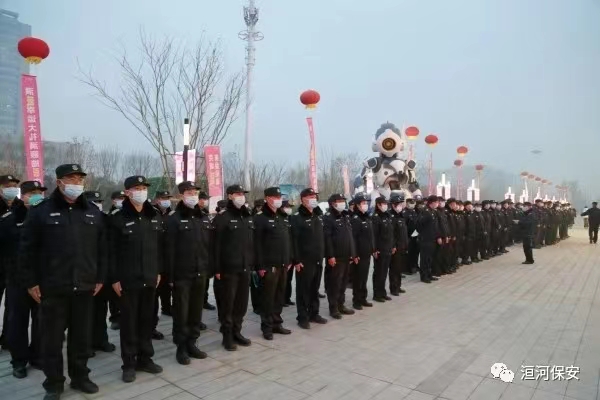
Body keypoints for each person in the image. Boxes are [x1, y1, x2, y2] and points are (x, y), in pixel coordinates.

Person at [19, 164, 106, 399]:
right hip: (52, 288)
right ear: (59, 182)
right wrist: (31, 282)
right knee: (52, 340)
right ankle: (54, 383)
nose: (76, 183)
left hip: (84, 286)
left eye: (79, 179)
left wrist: (100, 277)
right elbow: (26, 250)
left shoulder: (92, 212)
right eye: (71, 179)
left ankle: (80, 377)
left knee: (81, 338)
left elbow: (102, 249)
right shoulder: (41, 212)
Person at [108, 175, 163, 383]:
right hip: (128, 280)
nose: (141, 191)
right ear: (128, 192)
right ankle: (129, 363)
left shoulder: (154, 215)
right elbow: (110, 251)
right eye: (137, 188)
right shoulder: (117, 217)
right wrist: (114, 278)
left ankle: (145, 359)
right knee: (129, 323)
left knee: (147, 321)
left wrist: (158, 271)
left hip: (150, 277)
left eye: (143, 188)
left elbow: (160, 248)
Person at [1, 180, 44, 379]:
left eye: (39, 192)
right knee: (17, 322)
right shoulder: (9, 219)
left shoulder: (46, 217)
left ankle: (37, 356)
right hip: (17, 280)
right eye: (32, 192)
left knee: (41, 321)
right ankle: (19, 361)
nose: (36, 196)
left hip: (41, 279)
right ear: (23, 195)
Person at [165, 181, 212, 365]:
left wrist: (208, 268)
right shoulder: (174, 219)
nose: (193, 195)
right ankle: (181, 347)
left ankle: (192, 342)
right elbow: (169, 250)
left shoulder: (203, 218)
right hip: (182, 275)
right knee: (181, 313)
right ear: (181, 195)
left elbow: (208, 246)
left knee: (195, 311)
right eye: (189, 192)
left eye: (195, 192)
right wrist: (170, 277)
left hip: (200, 273)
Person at [213, 185, 254, 351]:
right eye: (237, 193)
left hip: (245, 268)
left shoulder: (247, 215)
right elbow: (215, 246)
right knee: (228, 305)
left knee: (241, 304)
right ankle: (227, 336)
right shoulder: (222, 218)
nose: (241, 196)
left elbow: (251, 243)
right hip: (228, 269)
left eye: (242, 194)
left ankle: (237, 331)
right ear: (229, 196)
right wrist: (217, 269)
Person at [253, 187, 293, 340]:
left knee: (279, 296)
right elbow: (256, 244)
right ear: (267, 198)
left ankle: (277, 323)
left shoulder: (282, 216)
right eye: (275, 197)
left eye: (279, 197)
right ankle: (267, 327)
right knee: (268, 297)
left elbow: (287, 240)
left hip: (283, 264)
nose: (278, 199)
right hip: (269, 266)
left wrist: (289, 259)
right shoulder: (260, 218)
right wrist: (260, 265)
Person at [83, 191, 117, 357]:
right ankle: (86, 344)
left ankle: (101, 339)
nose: (97, 204)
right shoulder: (80, 218)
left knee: (101, 309)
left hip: (103, 272)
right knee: (85, 312)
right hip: (85, 272)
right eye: (93, 201)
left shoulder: (105, 218)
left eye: (98, 201)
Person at [291, 188, 328, 329]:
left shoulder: (318, 215)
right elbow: (294, 241)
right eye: (310, 196)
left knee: (314, 288)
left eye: (314, 196)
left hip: (318, 259)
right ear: (303, 199)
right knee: (303, 290)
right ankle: (302, 317)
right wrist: (296, 260)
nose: (313, 198)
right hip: (304, 261)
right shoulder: (297, 218)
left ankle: (314, 313)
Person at [323, 193, 356, 319]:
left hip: (346, 255)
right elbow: (327, 238)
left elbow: (350, 236)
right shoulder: (328, 217)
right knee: (334, 283)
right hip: (336, 257)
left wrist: (352, 253)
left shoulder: (345, 216)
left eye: (343, 200)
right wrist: (330, 256)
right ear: (333, 203)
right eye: (339, 201)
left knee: (343, 283)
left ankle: (341, 305)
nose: (342, 203)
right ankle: (333, 308)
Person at [0, 174, 20, 350]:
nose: (11, 188)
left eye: (14, 185)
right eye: (7, 186)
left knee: (12, 305)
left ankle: (7, 339)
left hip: (14, 265)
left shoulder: (21, 207)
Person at [152, 190, 173, 341]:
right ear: (157, 200)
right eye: (163, 198)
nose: (166, 200)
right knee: (153, 296)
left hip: (168, 259)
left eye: (168, 198)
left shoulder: (172, 214)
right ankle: (151, 326)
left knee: (167, 288)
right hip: (156, 260)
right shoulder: (152, 214)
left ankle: (167, 308)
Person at [350, 193, 375, 310]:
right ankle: (357, 300)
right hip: (359, 254)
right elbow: (353, 238)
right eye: (363, 203)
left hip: (366, 252)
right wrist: (354, 254)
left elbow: (370, 235)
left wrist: (373, 248)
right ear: (357, 205)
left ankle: (363, 298)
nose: (366, 205)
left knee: (364, 277)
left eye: (366, 203)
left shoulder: (366, 217)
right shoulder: (355, 219)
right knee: (358, 278)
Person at [107, 191, 125, 331]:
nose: (122, 200)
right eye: (119, 198)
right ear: (113, 200)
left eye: (123, 198)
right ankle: (115, 317)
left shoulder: (126, 214)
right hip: (115, 257)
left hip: (126, 257)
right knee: (114, 292)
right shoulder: (111, 216)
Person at [372, 196, 395, 302]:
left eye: (386, 204)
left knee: (384, 272)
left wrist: (393, 246)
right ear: (378, 205)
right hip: (380, 249)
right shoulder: (375, 217)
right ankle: (377, 294)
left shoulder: (387, 215)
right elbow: (374, 235)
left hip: (388, 248)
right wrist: (375, 249)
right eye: (384, 204)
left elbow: (391, 233)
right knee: (379, 272)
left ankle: (382, 292)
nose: (386, 205)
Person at [417, 195, 441, 284]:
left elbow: (435, 226)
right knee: (425, 259)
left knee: (430, 259)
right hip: (425, 239)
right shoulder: (425, 211)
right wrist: (423, 234)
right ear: (432, 202)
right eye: (437, 202)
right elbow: (418, 225)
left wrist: (437, 236)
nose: (438, 204)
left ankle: (429, 274)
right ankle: (424, 276)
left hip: (432, 239)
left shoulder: (432, 211)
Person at [389, 194, 408, 295]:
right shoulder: (391, 216)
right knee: (394, 269)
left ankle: (398, 286)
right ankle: (394, 288)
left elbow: (404, 232)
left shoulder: (401, 215)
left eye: (401, 204)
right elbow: (391, 234)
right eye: (399, 204)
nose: (401, 206)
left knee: (399, 268)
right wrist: (393, 246)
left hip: (402, 246)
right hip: (395, 247)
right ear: (393, 205)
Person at [250, 199, 266, 315]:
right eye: (260, 206)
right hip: (254, 256)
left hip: (263, 256)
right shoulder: (253, 219)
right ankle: (256, 306)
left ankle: (262, 304)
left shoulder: (263, 218)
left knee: (262, 283)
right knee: (255, 284)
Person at [281, 199, 296, 307]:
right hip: (283, 255)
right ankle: (281, 299)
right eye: (287, 207)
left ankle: (287, 298)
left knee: (289, 279)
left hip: (291, 254)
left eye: (290, 207)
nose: (289, 209)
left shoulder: (291, 219)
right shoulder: (280, 219)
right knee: (283, 279)